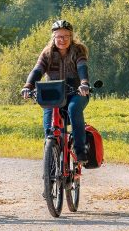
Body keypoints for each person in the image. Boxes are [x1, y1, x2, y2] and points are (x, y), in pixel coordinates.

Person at [20, 19, 93, 159]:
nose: (62, 40)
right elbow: (37, 70)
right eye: (59, 36)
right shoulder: (47, 53)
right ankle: (50, 158)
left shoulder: (78, 50)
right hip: (53, 94)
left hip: (76, 92)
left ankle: (80, 150)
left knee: (73, 109)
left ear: (71, 37)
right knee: (49, 127)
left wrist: (84, 83)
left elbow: (82, 67)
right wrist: (28, 86)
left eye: (66, 36)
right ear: (53, 38)